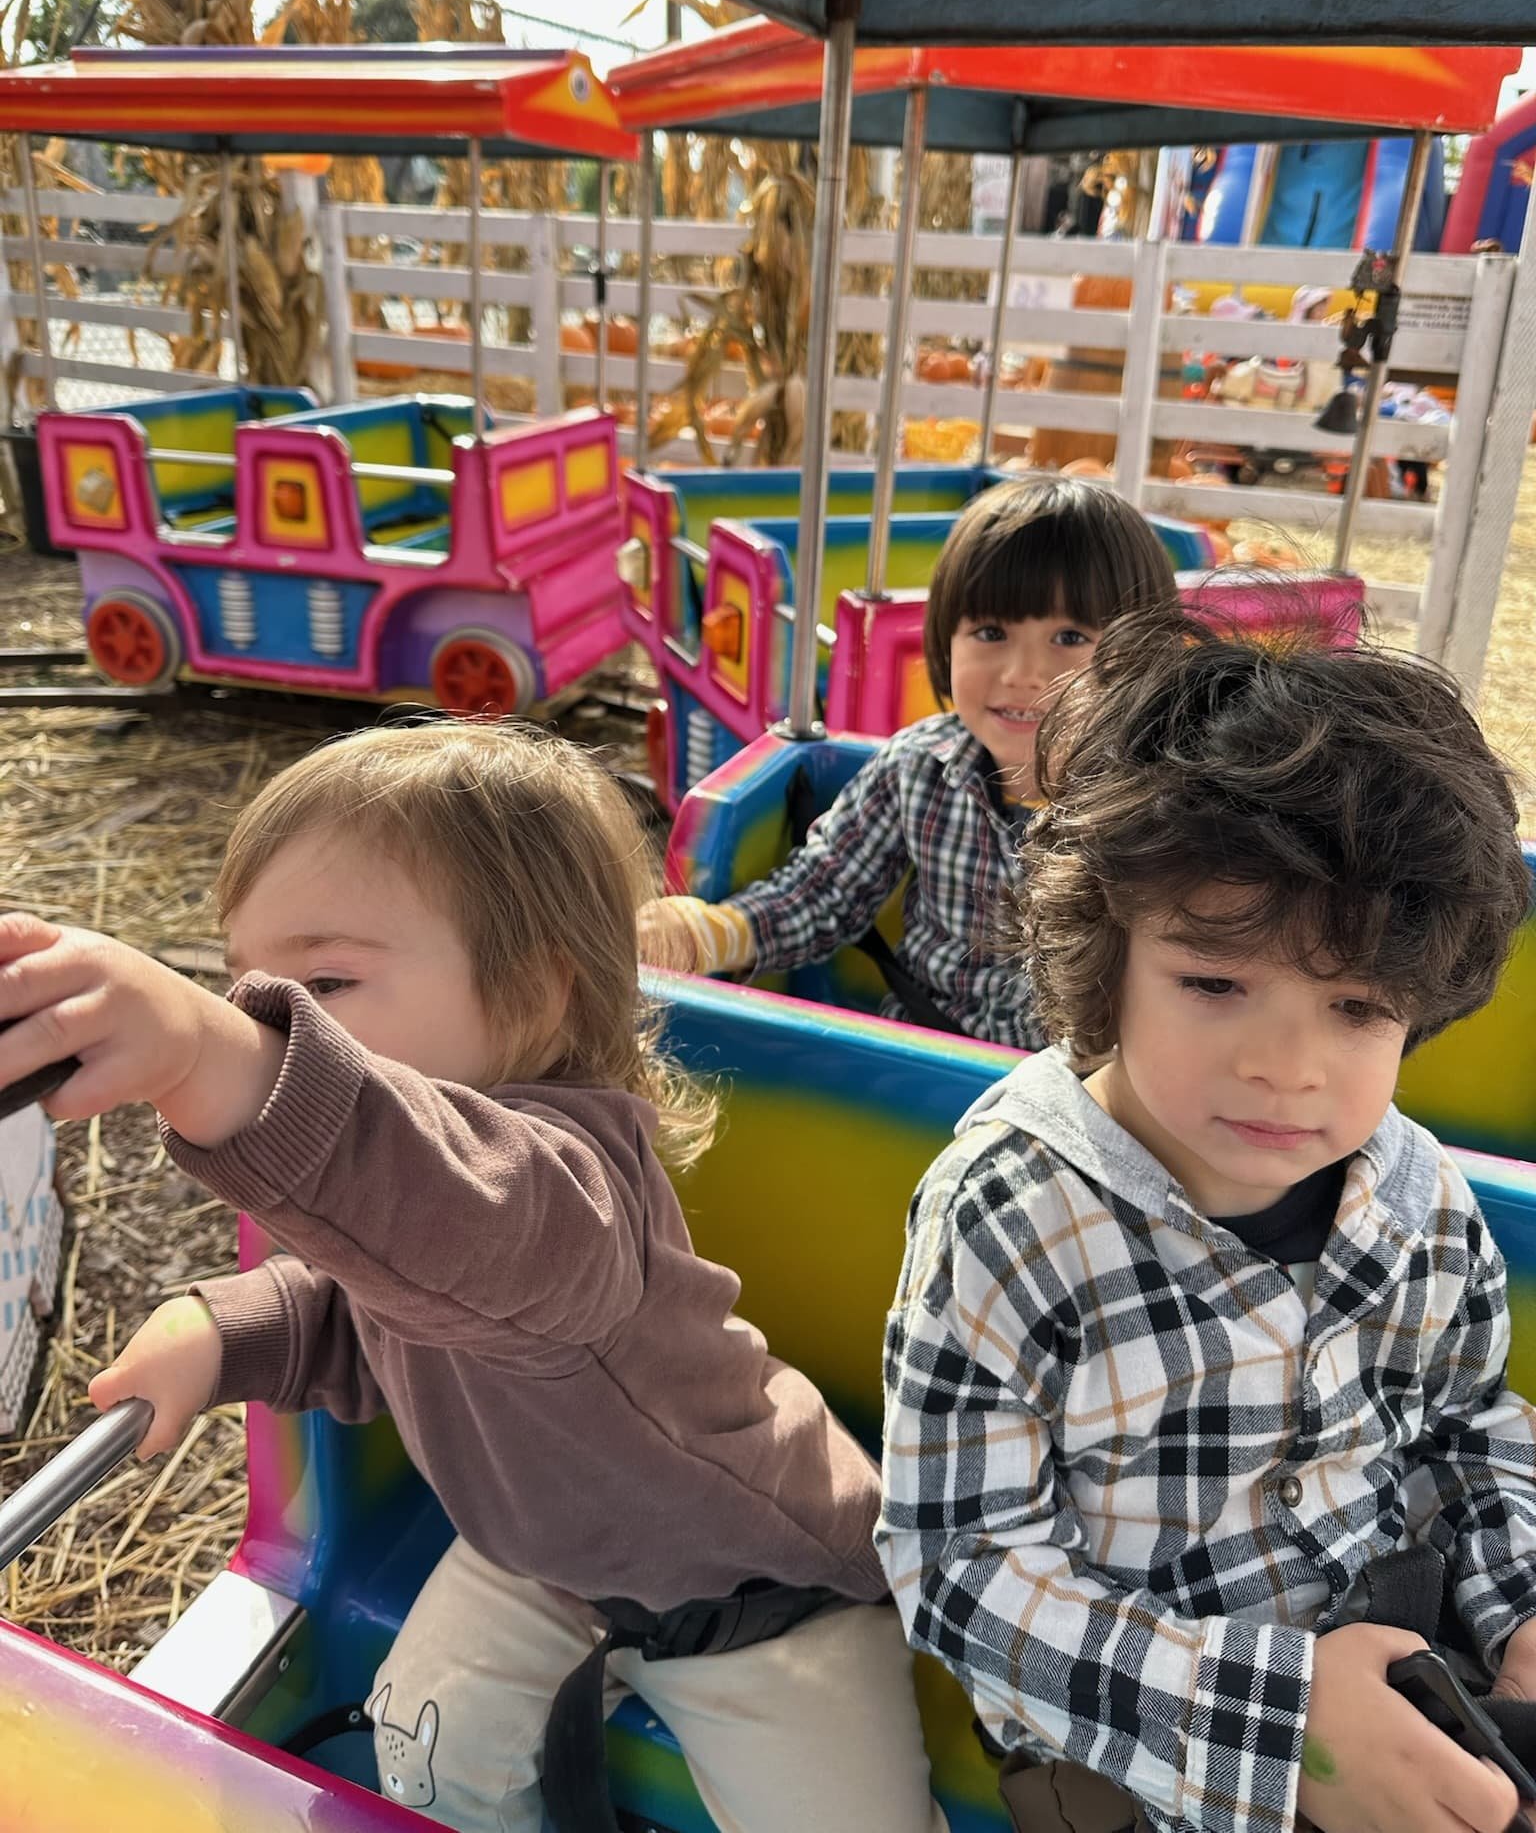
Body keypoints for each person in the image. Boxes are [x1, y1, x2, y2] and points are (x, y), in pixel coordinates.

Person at [0, 723, 947, 1833]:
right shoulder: (413, 1224)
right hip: (539, 1551)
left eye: (323, 981)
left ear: (536, 995)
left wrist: (208, 1054)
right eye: (245, 990)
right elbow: (367, 1307)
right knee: (419, 1754)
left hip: (756, 1587)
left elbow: (446, 1211)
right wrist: (226, 1333)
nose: (273, 1020)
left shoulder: (558, 1192)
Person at [877, 610, 1536, 1833]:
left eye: (1356, 1007)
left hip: (1406, 1663)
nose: (1287, 1067)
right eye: (1216, 981)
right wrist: (1286, 1723)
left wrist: (1520, 1604)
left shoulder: (1418, 1195)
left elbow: (1465, 1421)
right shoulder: (1013, 1214)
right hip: (1137, 1748)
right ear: (1107, 952)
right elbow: (961, 1567)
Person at [639, 477, 1178, 1049]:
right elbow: (827, 891)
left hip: (1075, 1079)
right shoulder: (919, 767)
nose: (1022, 674)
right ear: (947, 642)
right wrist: (708, 933)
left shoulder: (1156, 803)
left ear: (1136, 655)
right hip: (922, 1052)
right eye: (990, 632)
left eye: (1068, 637)